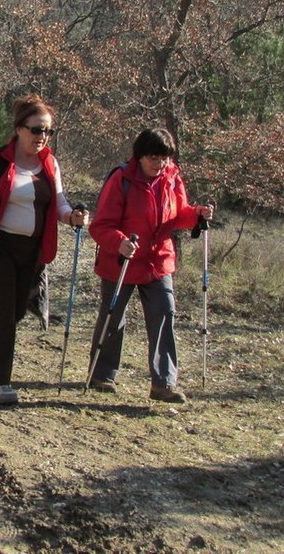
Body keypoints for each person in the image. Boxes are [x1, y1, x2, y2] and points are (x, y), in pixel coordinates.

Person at [0, 95, 88, 405]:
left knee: (16, 311)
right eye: (36, 130)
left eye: (47, 131)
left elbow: (58, 203)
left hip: (32, 250)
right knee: (4, 309)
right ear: (19, 129)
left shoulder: (50, 163)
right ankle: (0, 382)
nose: (42, 137)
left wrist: (72, 217)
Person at [87, 127, 214, 404]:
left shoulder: (172, 178)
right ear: (140, 156)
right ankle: (101, 374)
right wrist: (119, 242)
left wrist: (196, 215)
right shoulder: (121, 179)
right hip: (121, 261)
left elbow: (178, 215)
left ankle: (163, 384)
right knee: (113, 319)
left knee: (164, 315)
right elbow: (100, 226)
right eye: (155, 158)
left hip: (158, 261)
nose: (161, 164)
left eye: (165, 158)